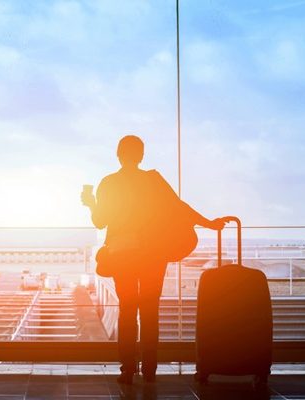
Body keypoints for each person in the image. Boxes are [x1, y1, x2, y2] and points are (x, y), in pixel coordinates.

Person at [81, 135, 225, 384]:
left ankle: (127, 370)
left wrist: (91, 203)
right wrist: (209, 224)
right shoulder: (153, 181)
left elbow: (100, 221)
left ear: (118, 154)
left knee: (127, 311)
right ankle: (149, 369)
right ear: (141, 156)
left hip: (123, 255)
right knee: (149, 312)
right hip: (152, 255)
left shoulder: (109, 183)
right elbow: (179, 207)